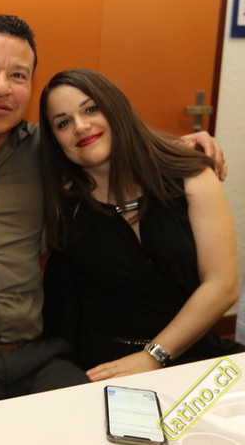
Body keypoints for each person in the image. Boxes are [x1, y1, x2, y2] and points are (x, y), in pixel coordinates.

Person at [0, 14, 226, 413]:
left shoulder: (48, 148)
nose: (1, 87)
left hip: (38, 357)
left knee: (102, 424)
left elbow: (107, 142)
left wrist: (177, 147)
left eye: (18, 75)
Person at [39, 68, 243, 380]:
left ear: (116, 109)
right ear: (55, 140)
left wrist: (153, 356)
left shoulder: (190, 175)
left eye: (91, 109)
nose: (80, 126)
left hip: (190, 349)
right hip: (104, 363)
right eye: (63, 123)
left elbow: (223, 286)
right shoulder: (60, 204)